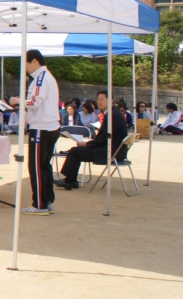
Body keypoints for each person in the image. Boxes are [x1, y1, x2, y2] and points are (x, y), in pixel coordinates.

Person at [15, 49, 61, 215]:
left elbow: (34, 102)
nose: (25, 67)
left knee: (36, 167)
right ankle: (47, 201)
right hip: (49, 126)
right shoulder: (46, 77)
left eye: (26, 63)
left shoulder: (41, 78)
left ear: (34, 61)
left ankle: (39, 204)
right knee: (44, 165)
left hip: (42, 127)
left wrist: (17, 101)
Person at [56, 91, 128, 189]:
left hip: (110, 152)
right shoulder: (112, 113)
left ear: (111, 100)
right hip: (114, 150)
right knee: (76, 151)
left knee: (75, 151)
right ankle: (71, 180)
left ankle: (69, 181)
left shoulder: (113, 115)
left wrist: (86, 145)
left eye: (102, 99)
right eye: (98, 99)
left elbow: (104, 138)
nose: (99, 102)